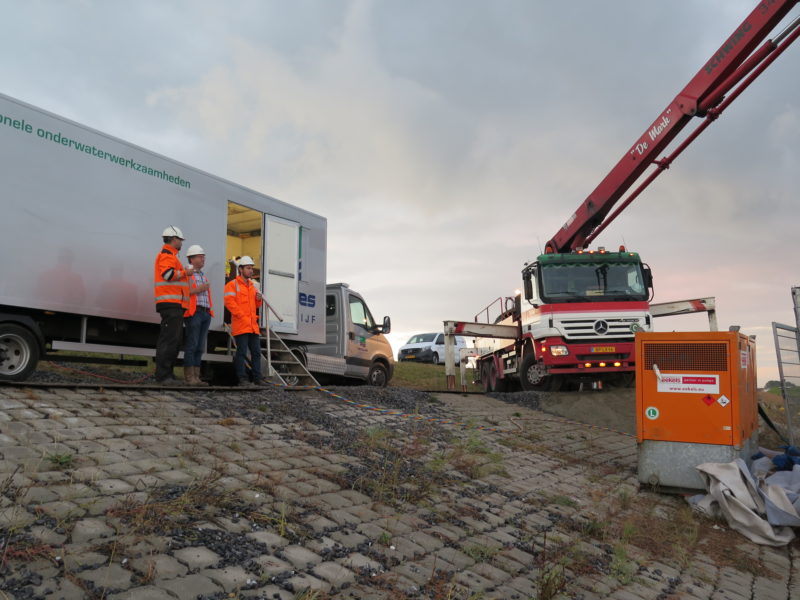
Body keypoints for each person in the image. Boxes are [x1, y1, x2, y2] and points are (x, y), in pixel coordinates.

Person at [154, 225, 192, 383]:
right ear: (174, 239)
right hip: (170, 304)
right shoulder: (167, 255)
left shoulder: (172, 256)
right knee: (169, 340)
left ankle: (167, 374)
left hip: (174, 304)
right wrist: (185, 273)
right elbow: (168, 275)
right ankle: (163, 375)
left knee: (173, 340)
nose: (181, 243)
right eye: (180, 240)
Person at [223, 255, 265, 386]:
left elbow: (256, 306)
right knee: (241, 353)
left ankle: (257, 379)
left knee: (256, 353)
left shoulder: (252, 286)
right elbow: (229, 303)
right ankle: (242, 379)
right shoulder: (232, 285)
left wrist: (258, 299)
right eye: (248, 268)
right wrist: (242, 316)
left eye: (252, 268)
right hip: (241, 325)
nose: (251, 271)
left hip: (252, 325)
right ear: (240, 269)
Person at [183, 244, 213, 386]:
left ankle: (196, 377)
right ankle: (190, 378)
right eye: (200, 257)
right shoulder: (187, 273)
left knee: (200, 346)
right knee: (192, 344)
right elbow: (185, 291)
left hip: (205, 313)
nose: (203, 259)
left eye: (203, 257)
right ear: (192, 259)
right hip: (194, 313)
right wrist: (200, 288)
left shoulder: (202, 275)